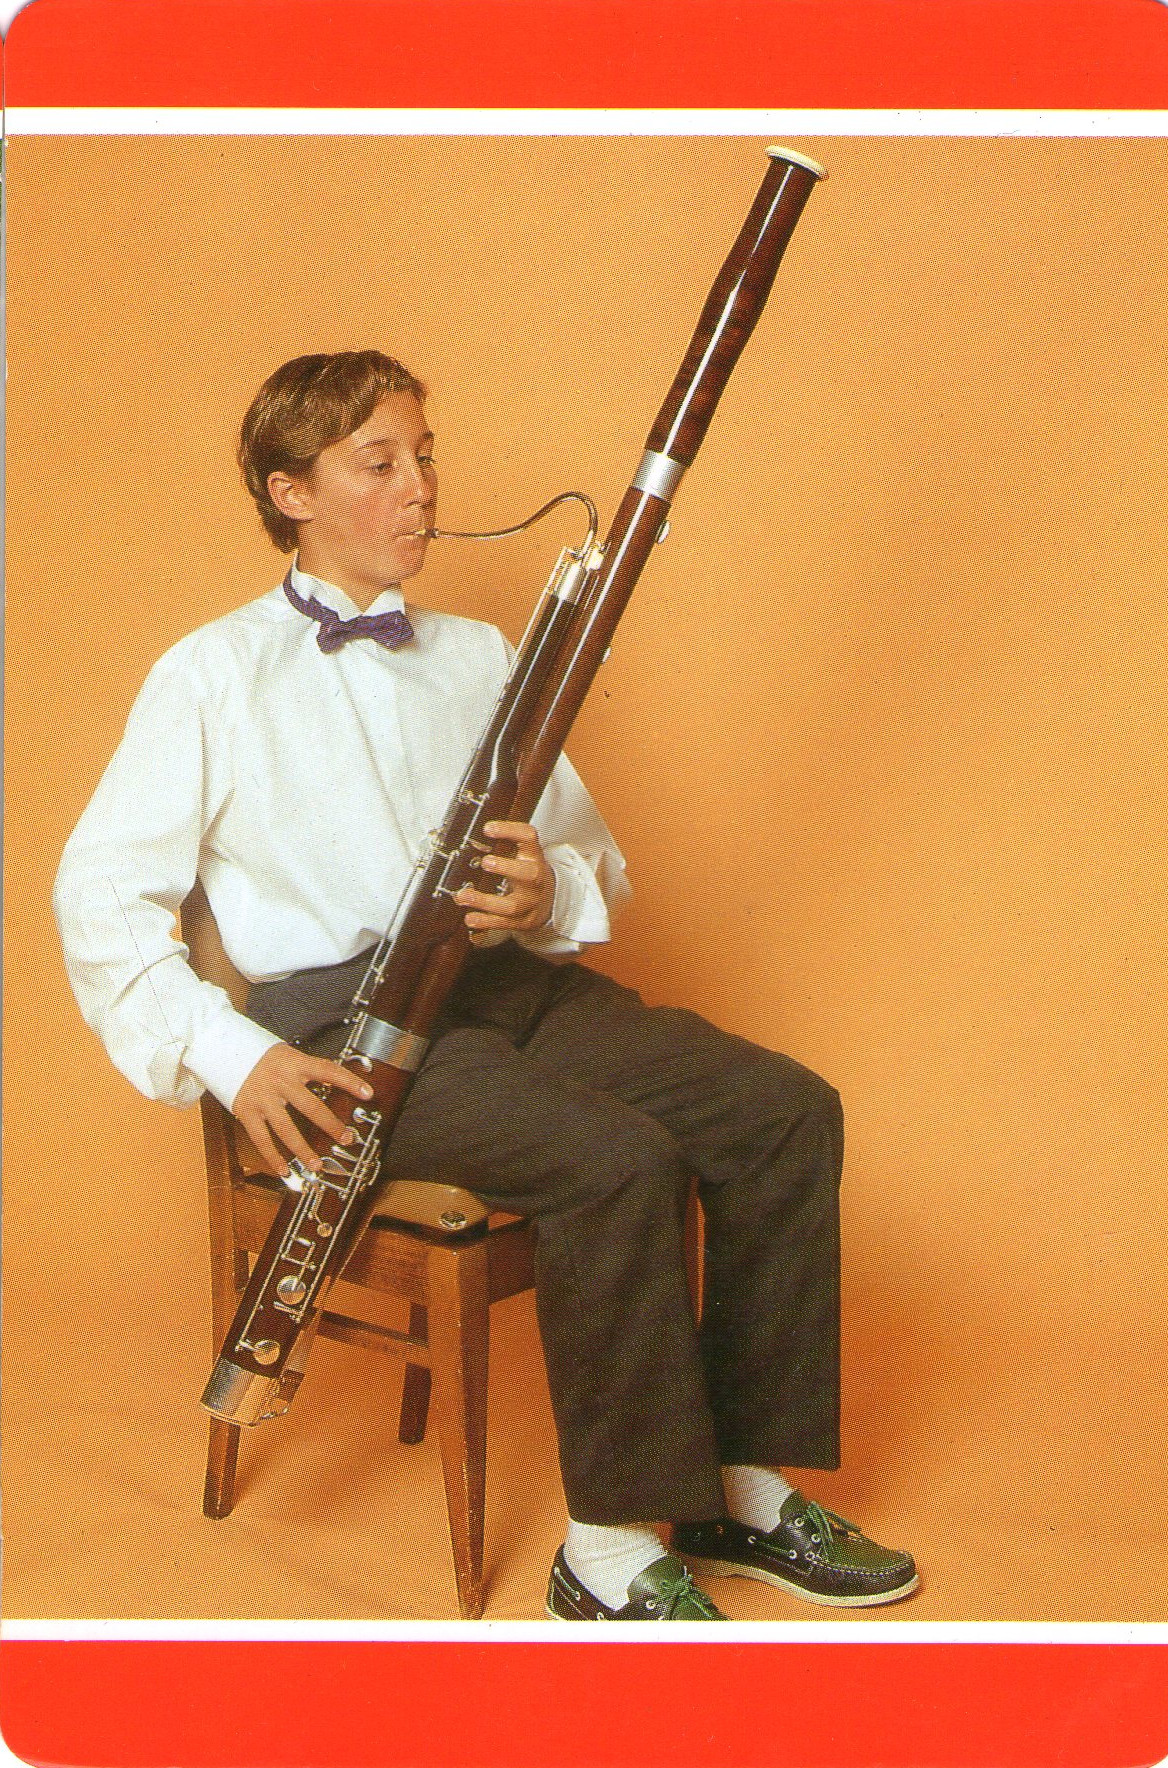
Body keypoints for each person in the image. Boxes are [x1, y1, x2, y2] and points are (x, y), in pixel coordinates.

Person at [54, 350, 917, 1621]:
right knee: (613, 1159)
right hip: (339, 1029)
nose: (421, 487)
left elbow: (584, 856)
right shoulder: (209, 673)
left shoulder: (480, 654)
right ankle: (605, 1550)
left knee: (782, 1109)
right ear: (292, 493)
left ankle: (738, 1488)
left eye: (425, 455)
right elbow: (97, 896)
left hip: (500, 990)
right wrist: (235, 1055)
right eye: (380, 463)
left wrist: (544, 893)